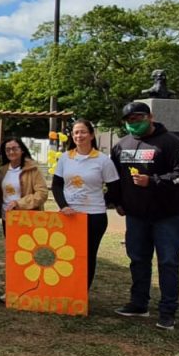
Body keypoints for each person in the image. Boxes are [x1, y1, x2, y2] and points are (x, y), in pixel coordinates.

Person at [110, 101, 179, 331]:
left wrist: (155, 181)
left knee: (168, 262)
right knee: (137, 259)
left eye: (138, 119)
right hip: (136, 216)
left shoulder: (171, 142)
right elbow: (115, 177)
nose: (133, 124)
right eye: (129, 121)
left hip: (169, 215)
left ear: (150, 117)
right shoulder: (121, 146)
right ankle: (139, 304)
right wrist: (117, 201)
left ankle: (167, 311)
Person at [50, 121, 118, 290]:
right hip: (68, 215)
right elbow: (56, 185)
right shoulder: (65, 158)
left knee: (87, 256)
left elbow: (115, 187)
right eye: (76, 133)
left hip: (94, 216)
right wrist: (63, 205)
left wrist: (102, 202)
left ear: (92, 135)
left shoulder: (103, 160)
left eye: (83, 132)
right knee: (66, 254)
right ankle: (66, 289)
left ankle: (81, 293)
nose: (79, 136)